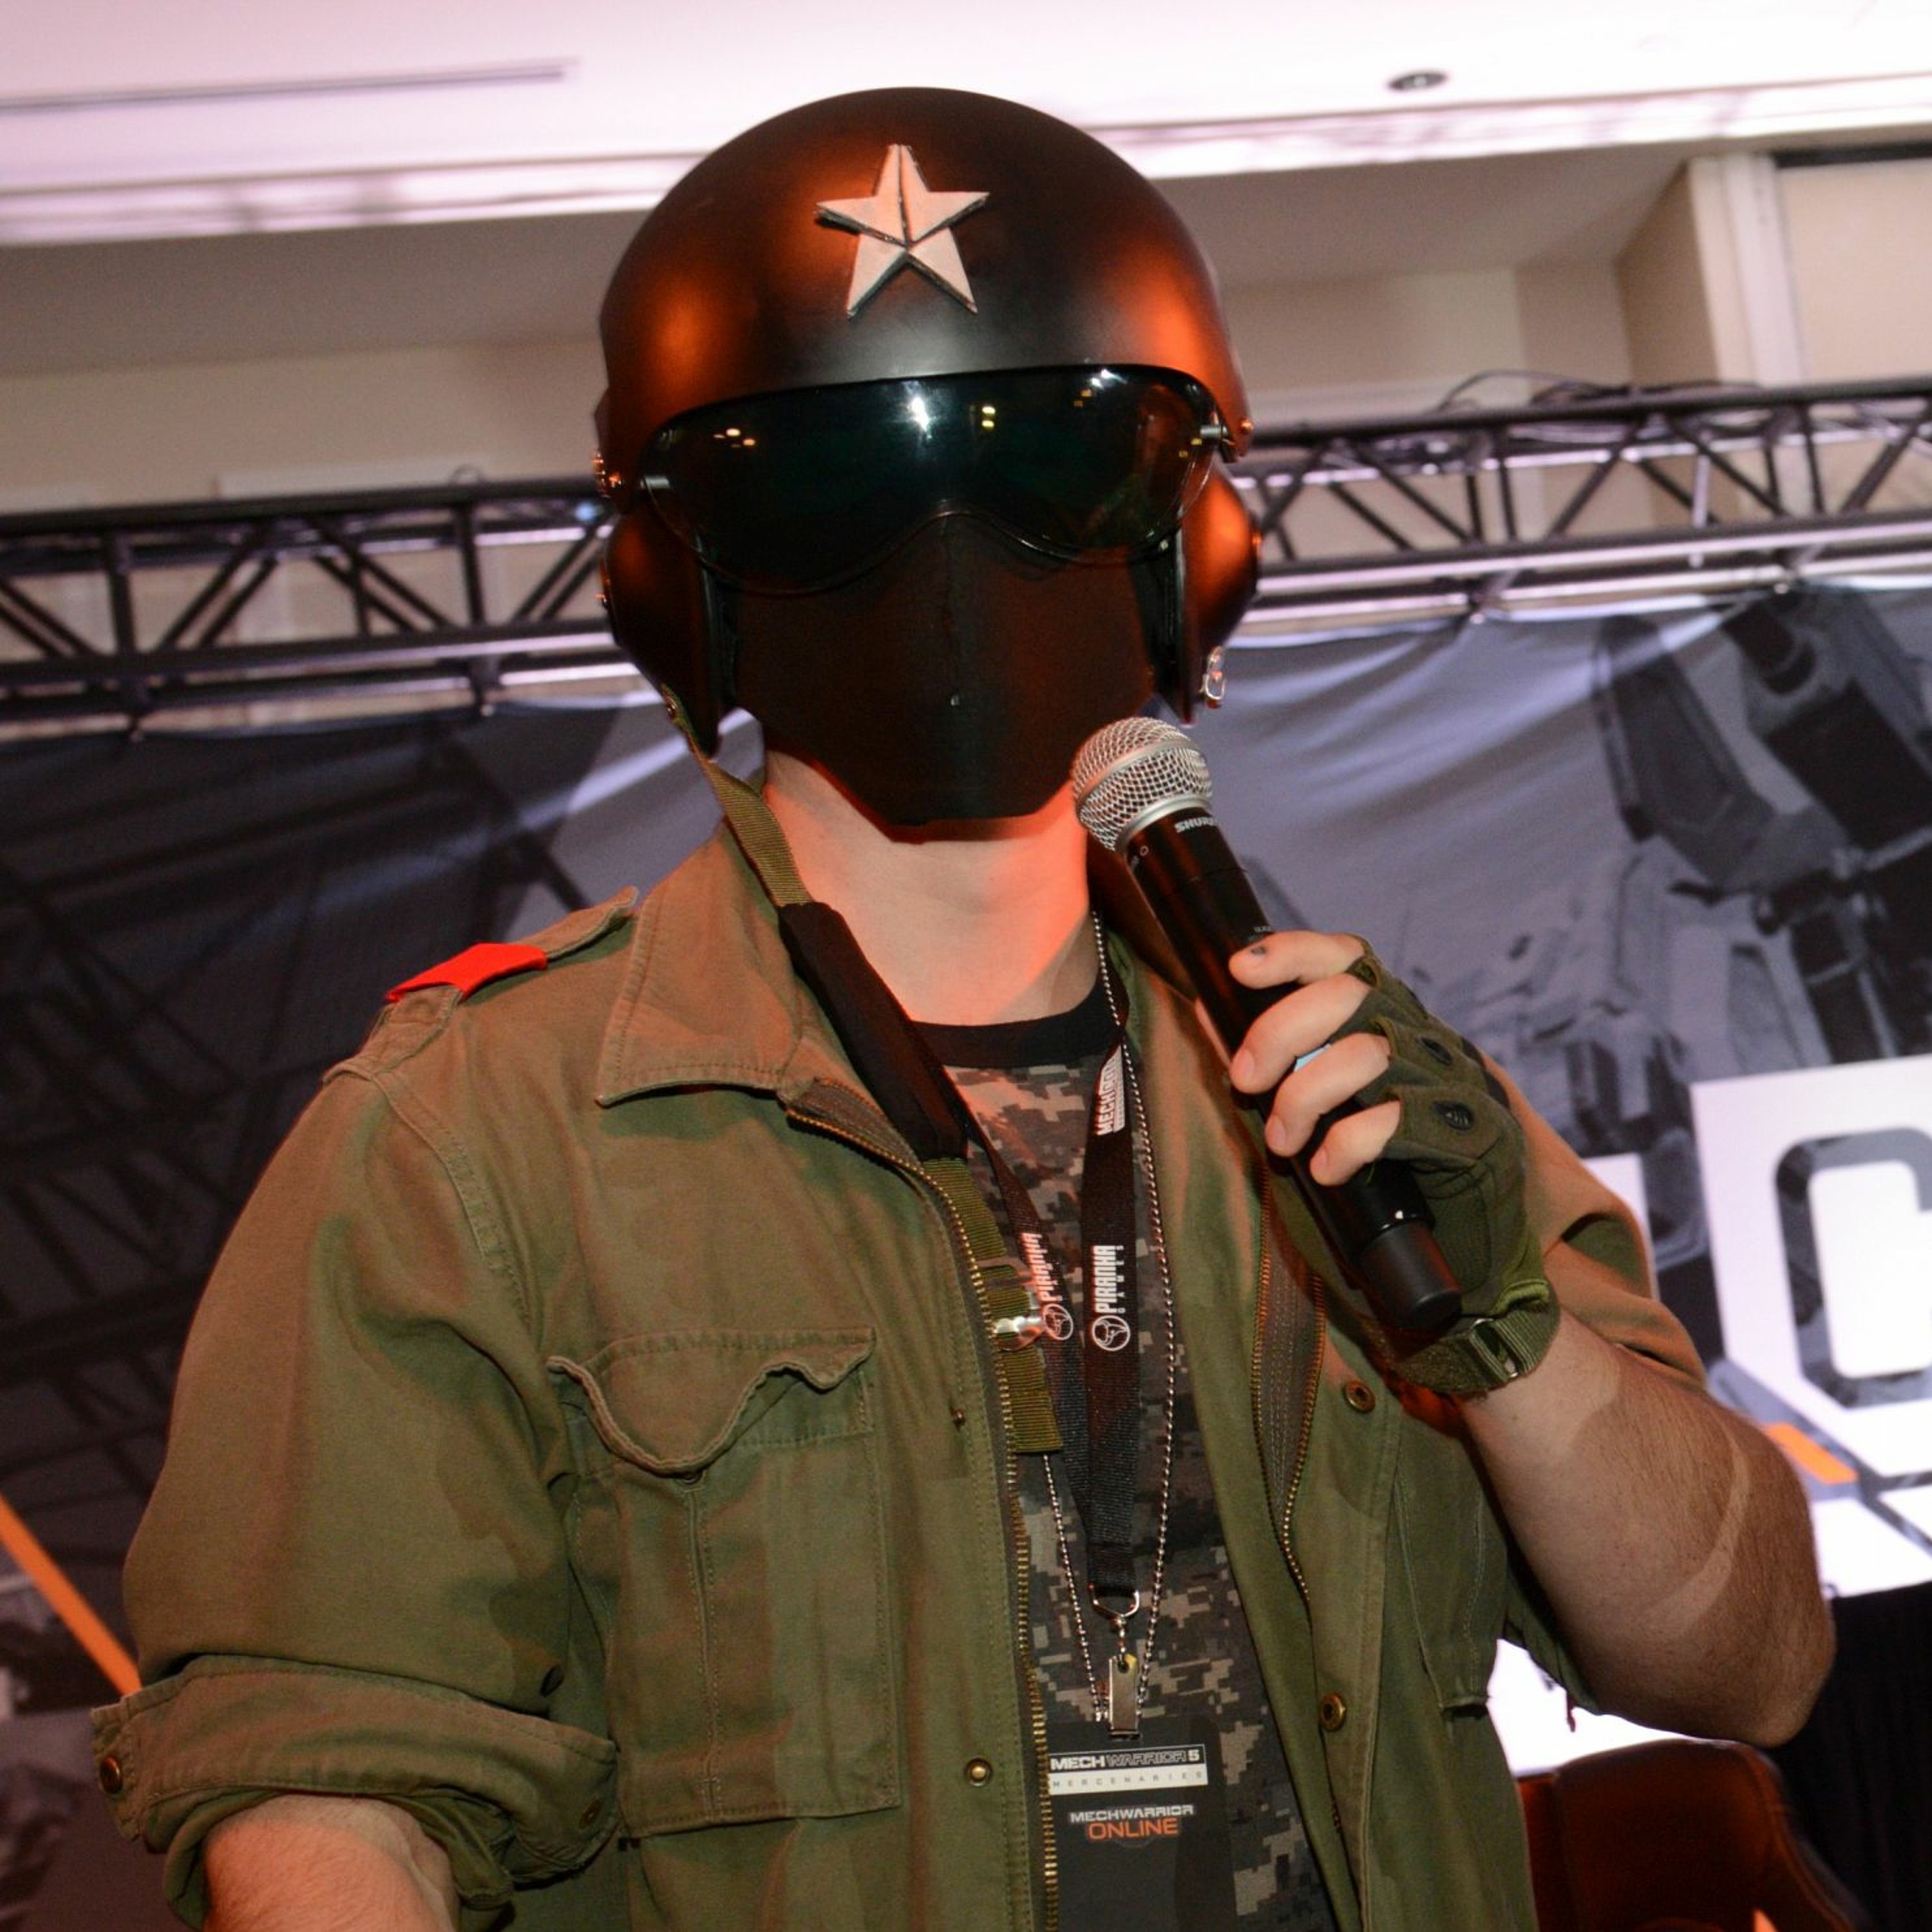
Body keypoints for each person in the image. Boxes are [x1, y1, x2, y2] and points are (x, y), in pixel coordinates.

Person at [93, 88, 1833, 1932]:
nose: (950, 556)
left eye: (1055, 469)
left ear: (1190, 544)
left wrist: (1501, 1332)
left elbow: (1747, 1664)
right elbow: (328, 1786)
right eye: (824, 494)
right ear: (678, 578)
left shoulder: (1362, 1097)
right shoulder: (471, 1138)